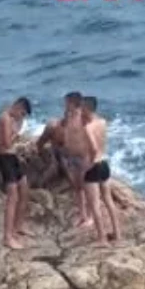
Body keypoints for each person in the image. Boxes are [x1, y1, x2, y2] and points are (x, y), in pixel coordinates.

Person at [80, 96, 121, 243]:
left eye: (82, 108)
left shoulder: (88, 128)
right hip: (104, 164)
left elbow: (94, 148)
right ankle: (117, 234)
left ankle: (102, 238)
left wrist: (87, 167)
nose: (80, 111)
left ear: (86, 108)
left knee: (95, 205)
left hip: (94, 167)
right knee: (109, 201)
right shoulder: (102, 122)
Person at [0, 97, 33, 249]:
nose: (22, 117)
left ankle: (19, 226)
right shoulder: (5, 118)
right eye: (22, 114)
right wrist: (17, 132)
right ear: (18, 107)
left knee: (24, 191)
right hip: (5, 158)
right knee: (13, 197)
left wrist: (18, 128)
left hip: (13, 157)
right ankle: (7, 236)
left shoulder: (13, 119)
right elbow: (6, 143)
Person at [59, 92, 91, 228]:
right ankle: (82, 215)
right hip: (71, 156)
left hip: (83, 156)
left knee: (87, 186)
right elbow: (65, 129)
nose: (65, 105)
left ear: (73, 102)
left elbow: (91, 133)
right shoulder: (68, 115)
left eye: (66, 102)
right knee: (77, 187)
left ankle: (90, 216)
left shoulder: (83, 116)